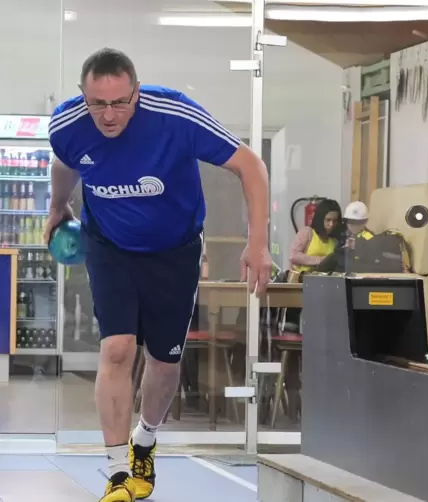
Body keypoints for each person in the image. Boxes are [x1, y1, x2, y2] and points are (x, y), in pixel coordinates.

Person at [45, 48, 272, 502]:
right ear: (82, 97)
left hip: (175, 251)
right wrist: (57, 205)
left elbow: (250, 165)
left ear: (137, 91)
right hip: (109, 245)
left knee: (165, 364)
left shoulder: (175, 114)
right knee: (117, 348)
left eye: (120, 102)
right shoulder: (66, 126)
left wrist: (259, 242)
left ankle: (144, 440)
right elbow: (64, 162)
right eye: (97, 104)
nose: (109, 116)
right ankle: (115, 474)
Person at [289, 199, 342, 272]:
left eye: (335, 221)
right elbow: (293, 256)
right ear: (320, 219)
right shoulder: (307, 232)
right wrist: (322, 260)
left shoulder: (335, 241)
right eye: (328, 220)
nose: (331, 224)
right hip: (301, 279)